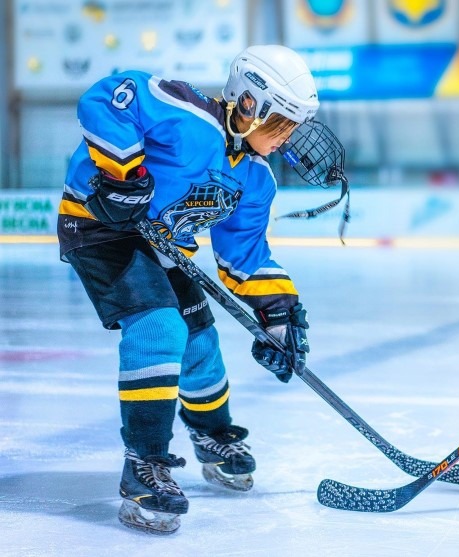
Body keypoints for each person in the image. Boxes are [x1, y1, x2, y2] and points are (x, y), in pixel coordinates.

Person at [57, 44, 339, 534]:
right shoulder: (187, 117)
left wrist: (279, 314)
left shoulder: (255, 179)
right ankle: (145, 465)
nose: (286, 138)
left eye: (292, 128)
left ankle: (212, 436)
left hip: (163, 241)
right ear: (248, 104)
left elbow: (244, 256)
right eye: (280, 124)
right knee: (160, 325)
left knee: (201, 342)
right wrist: (124, 173)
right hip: (100, 225)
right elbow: (106, 98)